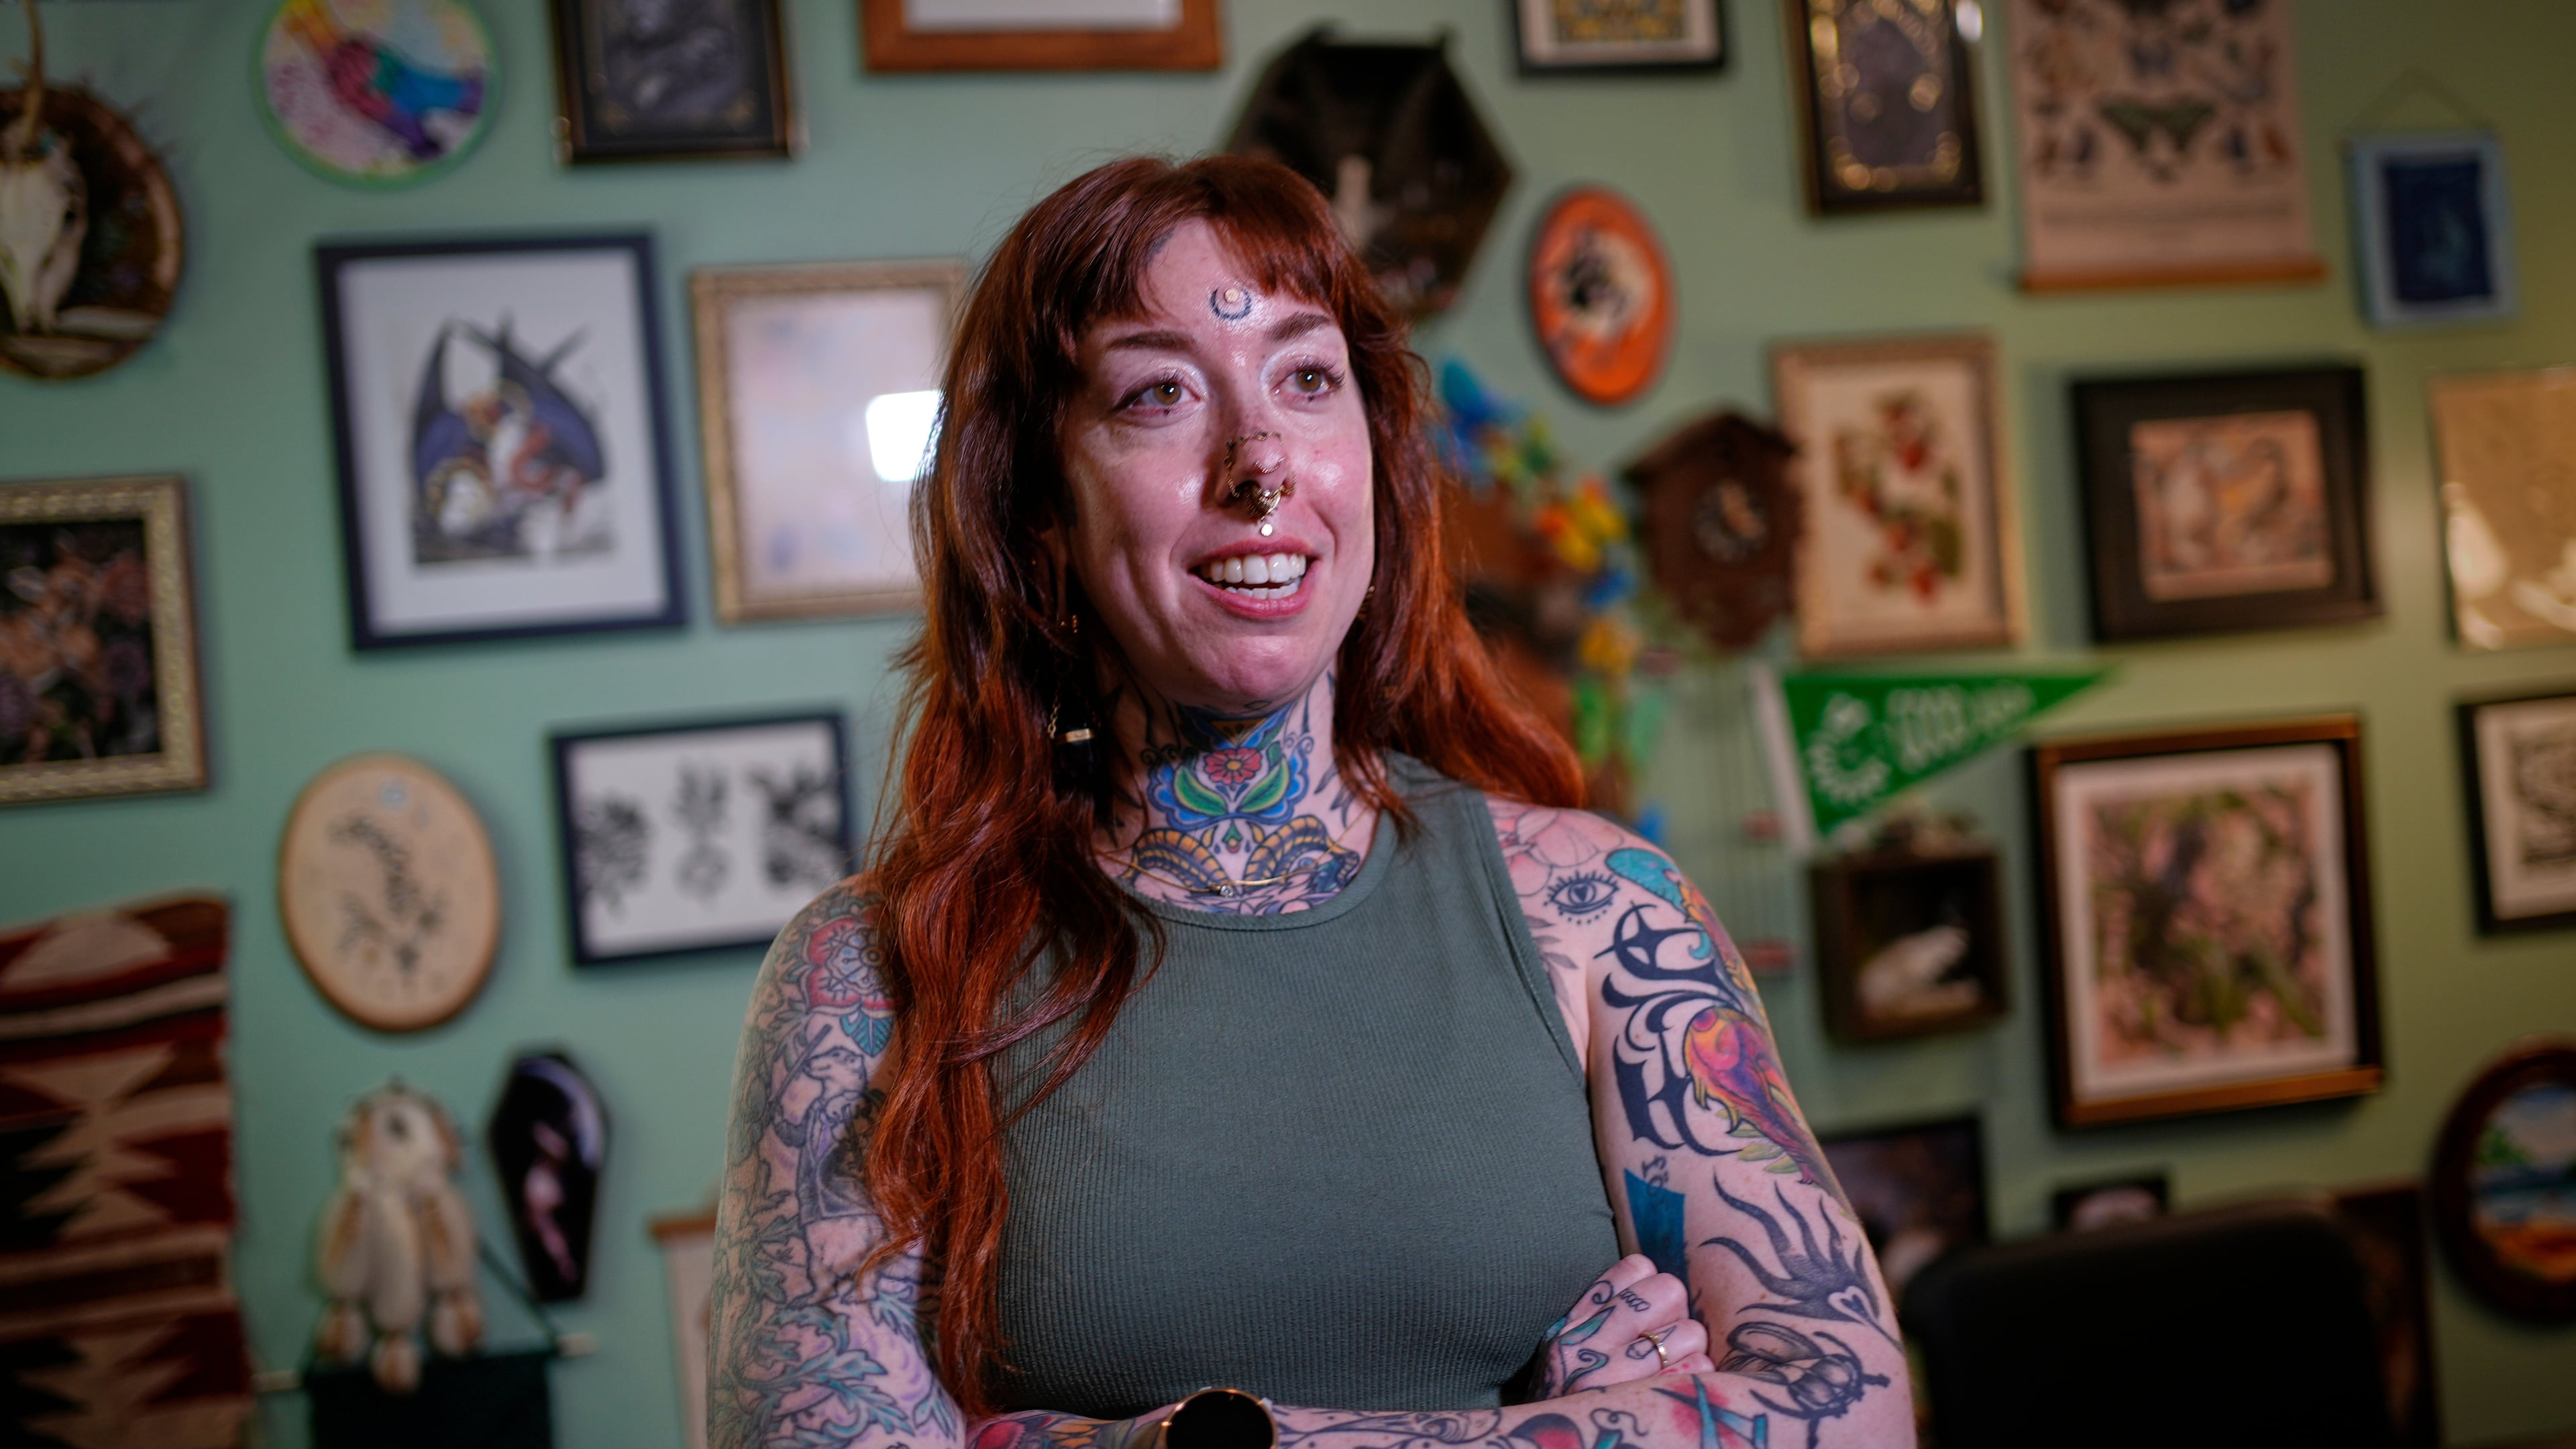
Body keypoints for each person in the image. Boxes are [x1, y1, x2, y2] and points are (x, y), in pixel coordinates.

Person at [710, 155, 1913, 1449]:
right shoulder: (870, 980)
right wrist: (1568, 1432)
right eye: (1159, 394)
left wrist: (1165, 1442)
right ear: (1042, 511)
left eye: (1305, 378)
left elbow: (1851, 1416)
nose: (1260, 464)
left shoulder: (1606, 918)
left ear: (1375, 465)